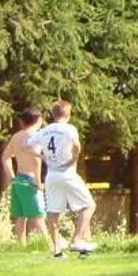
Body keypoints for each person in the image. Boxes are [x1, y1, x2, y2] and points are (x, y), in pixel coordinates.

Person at [33, 101, 98, 256]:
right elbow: (77, 145)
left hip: (51, 175)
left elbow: (27, 147)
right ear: (68, 114)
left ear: (53, 114)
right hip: (67, 172)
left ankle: (57, 251)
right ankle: (77, 239)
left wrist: (44, 156)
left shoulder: (45, 130)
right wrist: (73, 158)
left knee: (53, 212)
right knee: (89, 205)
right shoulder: (69, 129)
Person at [0, 108, 50, 250]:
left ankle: (21, 247)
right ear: (39, 120)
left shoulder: (16, 136)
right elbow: (35, 160)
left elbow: (5, 157)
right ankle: (51, 246)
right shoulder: (35, 136)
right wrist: (38, 182)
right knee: (38, 216)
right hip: (30, 179)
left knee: (20, 216)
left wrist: (12, 177)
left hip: (19, 179)